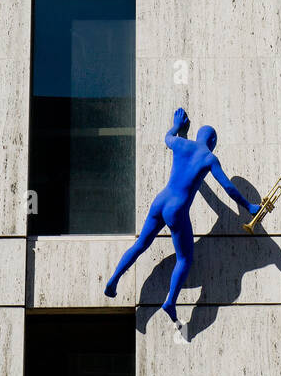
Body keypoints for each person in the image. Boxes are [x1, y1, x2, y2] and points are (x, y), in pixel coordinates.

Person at [104, 107, 260, 323]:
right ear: (213, 140)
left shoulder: (180, 143)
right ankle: (170, 301)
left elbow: (167, 137)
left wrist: (177, 126)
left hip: (161, 200)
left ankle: (113, 280)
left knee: (140, 244)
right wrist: (247, 205)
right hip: (176, 209)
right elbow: (228, 188)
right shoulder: (209, 159)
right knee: (184, 259)